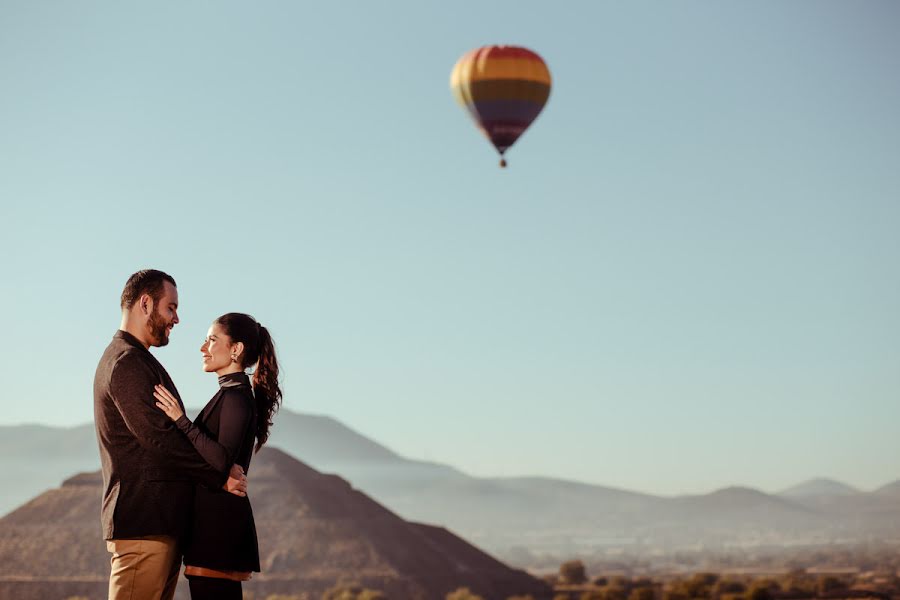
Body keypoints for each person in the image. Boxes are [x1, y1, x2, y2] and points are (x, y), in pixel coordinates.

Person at [94, 269, 248, 600]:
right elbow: (161, 440)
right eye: (171, 308)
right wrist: (219, 475)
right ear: (145, 303)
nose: (176, 319)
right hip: (143, 527)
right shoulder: (127, 364)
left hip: (157, 528)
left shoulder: (139, 360)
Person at [154, 312, 282, 600]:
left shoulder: (236, 398)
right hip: (210, 529)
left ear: (236, 349)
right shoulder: (229, 395)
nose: (203, 348)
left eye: (212, 340)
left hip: (218, 532)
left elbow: (221, 460)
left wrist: (180, 419)